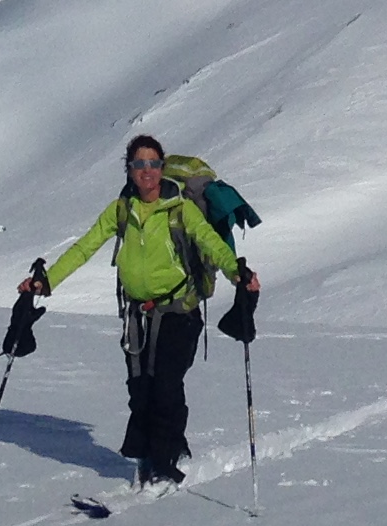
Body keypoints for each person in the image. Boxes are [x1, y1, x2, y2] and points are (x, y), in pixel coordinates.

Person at [24, 134, 254, 486]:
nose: (147, 171)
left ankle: (163, 463)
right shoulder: (121, 209)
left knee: (165, 386)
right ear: (129, 170)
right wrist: (47, 282)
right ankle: (161, 450)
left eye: (153, 163)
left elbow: (209, 243)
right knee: (141, 389)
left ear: (162, 168)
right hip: (138, 316)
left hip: (180, 311)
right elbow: (85, 247)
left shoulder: (181, 208)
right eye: (139, 164)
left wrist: (236, 271)